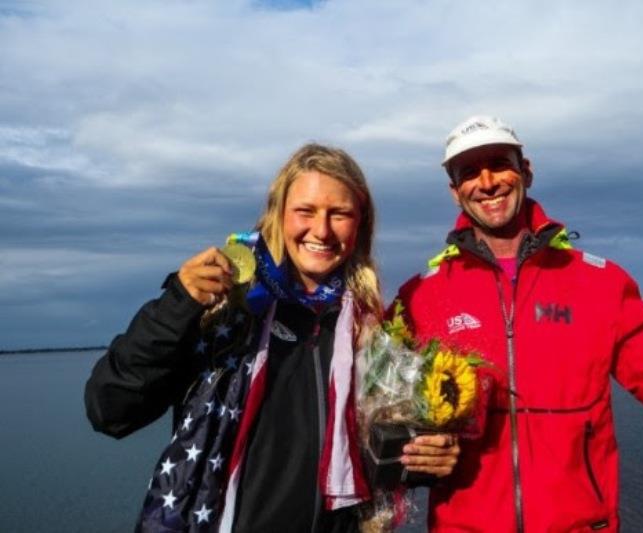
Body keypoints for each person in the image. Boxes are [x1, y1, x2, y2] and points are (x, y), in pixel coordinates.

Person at [391, 116, 643, 532]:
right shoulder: (421, 297)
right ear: (454, 192)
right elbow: (378, 416)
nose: (486, 183)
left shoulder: (599, 284)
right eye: (468, 172)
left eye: (499, 164)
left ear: (526, 171)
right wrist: (412, 452)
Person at [85, 143, 458, 533]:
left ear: (360, 223)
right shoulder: (224, 310)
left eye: (340, 214)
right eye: (305, 211)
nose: (322, 230)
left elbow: (382, 452)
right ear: (277, 215)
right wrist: (178, 304)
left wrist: (427, 461)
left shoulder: (370, 329)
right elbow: (110, 409)